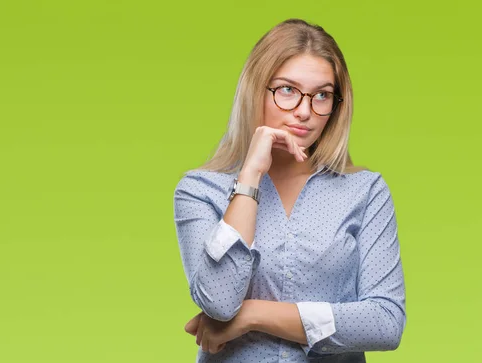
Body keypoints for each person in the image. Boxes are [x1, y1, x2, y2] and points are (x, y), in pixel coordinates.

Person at [172, 18, 406, 363]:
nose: (304, 112)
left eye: (322, 95)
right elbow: (219, 302)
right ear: (256, 89)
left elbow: (385, 322)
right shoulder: (200, 190)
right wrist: (250, 176)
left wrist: (252, 315)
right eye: (286, 90)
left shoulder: (365, 192)